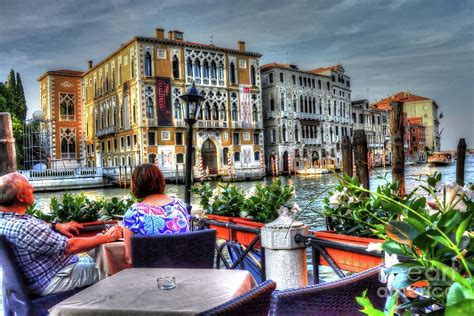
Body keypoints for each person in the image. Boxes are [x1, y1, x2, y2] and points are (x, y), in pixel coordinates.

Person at [0, 173, 122, 296]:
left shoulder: (7, 220)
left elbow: (36, 231)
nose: (33, 189)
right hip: (54, 278)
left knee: (106, 261)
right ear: (20, 197)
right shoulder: (25, 227)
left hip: (48, 273)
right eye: (29, 187)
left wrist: (55, 226)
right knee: (116, 270)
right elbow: (70, 247)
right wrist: (107, 237)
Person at [123, 163, 190, 265]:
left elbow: (130, 259)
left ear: (136, 185)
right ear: (161, 181)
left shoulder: (133, 213)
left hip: (150, 276)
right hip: (182, 270)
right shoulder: (180, 205)